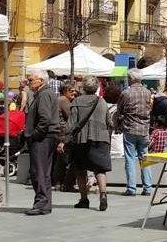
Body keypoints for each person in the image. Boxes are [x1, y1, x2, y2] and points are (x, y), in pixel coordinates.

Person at [61, 76, 113, 212]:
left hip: (81, 139)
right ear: (96, 88)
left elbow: (71, 124)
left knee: (80, 169)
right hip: (101, 138)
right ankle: (103, 194)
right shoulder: (102, 102)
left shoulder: (77, 101)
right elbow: (109, 122)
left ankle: (84, 199)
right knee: (100, 169)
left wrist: (64, 139)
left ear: (83, 87)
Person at [24, 68, 59, 216]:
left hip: (43, 137)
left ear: (41, 81)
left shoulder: (44, 95)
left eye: (31, 80)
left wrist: (34, 135)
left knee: (38, 170)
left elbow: (45, 118)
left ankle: (41, 202)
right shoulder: (44, 93)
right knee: (43, 171)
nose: (29, 82)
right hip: (47, 136)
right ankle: (45, 203)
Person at [115, 69, 152, 196]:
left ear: (130, 79)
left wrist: (117, 124)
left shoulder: (126, 93)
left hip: (130, 128)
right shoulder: (148, 93)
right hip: (144, 129)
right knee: (145, 159)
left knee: (130, 159)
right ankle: (147, 187)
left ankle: (131, 188)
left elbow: (119, 110)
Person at [54, 83, 77, 191]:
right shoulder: (63, 100)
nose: (74, 92)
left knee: (61, 159)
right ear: (64, 91)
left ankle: (59, 182)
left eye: (74, 90)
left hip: (60, 132)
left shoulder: (60, 99)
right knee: (66, 159)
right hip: (63, 133)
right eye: (70, 90)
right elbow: (71, 115)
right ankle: (67, 184)